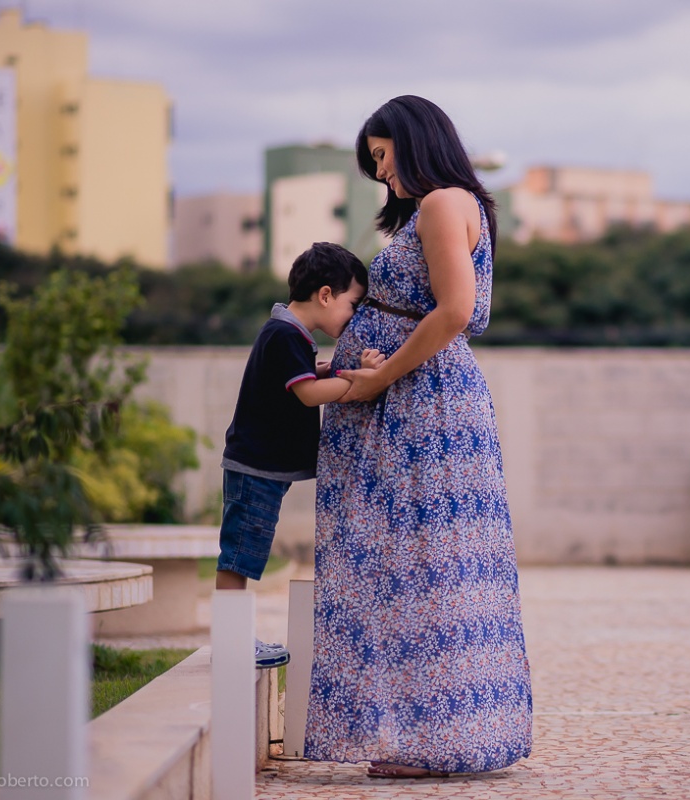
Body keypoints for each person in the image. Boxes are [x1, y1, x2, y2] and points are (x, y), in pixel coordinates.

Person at [304, 95, 533, 778]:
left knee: (425, 567)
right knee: (428, 567)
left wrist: (378, 377)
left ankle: (437, 741)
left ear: (411, 141)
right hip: (416, 399)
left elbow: (455, 311)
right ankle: (438, 734)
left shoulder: (440, 204)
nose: (381, 173)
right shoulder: (456, 204)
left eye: (381, 156)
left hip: (420, 406)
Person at [216, 242, 378, 669]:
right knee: (239, 555)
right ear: (325, 295)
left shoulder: (290, 334)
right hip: (255, 465)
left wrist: (335, 370)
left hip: (261, 466)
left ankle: (233, 639)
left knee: (245, 551)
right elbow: (308, 393)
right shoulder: (286, 335)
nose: (353, 316)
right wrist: (361, 383)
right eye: (352, 304)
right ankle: (230, 642)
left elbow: (302, 378)